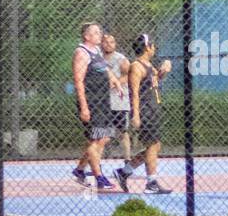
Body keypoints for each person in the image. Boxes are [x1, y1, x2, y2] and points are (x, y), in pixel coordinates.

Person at [116, 33, 173, 194]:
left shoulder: (148, 65)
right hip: (145, 110)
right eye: (153, 45)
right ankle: (151, 183)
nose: (154, 48)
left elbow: (156, 80)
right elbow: (133, 92)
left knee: (155, 146)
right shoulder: (136, 66)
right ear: (147, 47)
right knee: (152, 146)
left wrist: (164, 70)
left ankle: (124, 171)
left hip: (153, 108)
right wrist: (136, 115)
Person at [71, 21, 115, 190]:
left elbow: (105, 70)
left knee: (103, 137)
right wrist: (84, 106)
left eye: (100, 31)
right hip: (91, 102)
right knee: (95, 138)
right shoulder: (81, 53)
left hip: (103, 101)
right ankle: (99, 177)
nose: (100, 35)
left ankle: (80, 169)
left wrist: (115, 82)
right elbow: (78, 81)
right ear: (87, 36)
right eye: (96, 33)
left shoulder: (96, 51)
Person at [101, 31, 132, 168]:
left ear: (115, 44)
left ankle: (127, 162)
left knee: (123, 133)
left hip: (119, 102)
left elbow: (128, 76)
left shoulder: (121, 59)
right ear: (101, 43)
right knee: (100, 134)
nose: (108, 44)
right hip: (102, 103)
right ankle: (98, 164)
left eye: (111, 42)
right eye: (106, 42)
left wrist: (115, 82)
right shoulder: (97, 59)